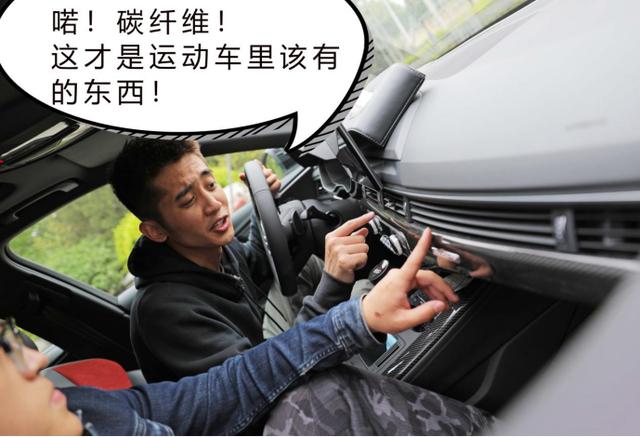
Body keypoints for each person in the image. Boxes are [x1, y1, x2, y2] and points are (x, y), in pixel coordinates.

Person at [0, 230, 493, 435]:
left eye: (11, 335)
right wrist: (333, 294)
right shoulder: (167, 311)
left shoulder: (88, 410)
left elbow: (224, 387)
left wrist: (356, 316)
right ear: (156, 228)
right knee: (317, 399)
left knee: (321, 391)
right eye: (3, 350)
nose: (37, 358)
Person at [109, 139, 377, 382]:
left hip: (259, 358)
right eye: (189, 200)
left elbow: (256, 265)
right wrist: (333, 284)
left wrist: (263, 201)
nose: (214, 204)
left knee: (317, 272)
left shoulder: (210, 250)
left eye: (210, 185)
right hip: (261, 399)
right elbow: (260, 384)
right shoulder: (165, 314)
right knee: (364, 296)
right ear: (156, 230)